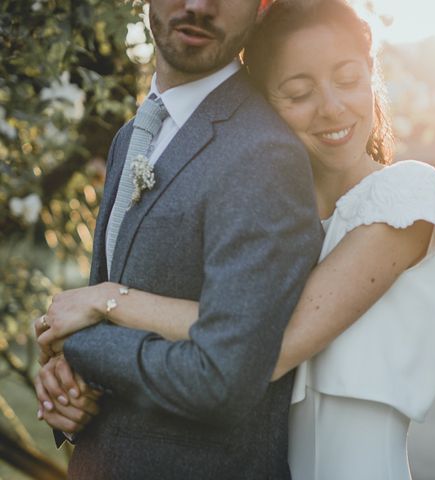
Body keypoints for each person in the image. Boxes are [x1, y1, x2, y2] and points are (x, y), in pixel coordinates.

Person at [36, 1, 435, 479]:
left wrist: (102, 308)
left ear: (371, 73)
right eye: (298, 92)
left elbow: (260, 349)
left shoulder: (406, 197)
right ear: (268, 100)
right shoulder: (284, 199)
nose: (332, 107)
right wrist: (69, 375)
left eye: (348, 80)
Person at [34, 0, 324, 478]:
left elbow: (222, 380)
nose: (197, 6)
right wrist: (66, 384)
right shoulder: (131, 136)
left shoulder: (263, 153)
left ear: (262, 7)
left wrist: (78, 345)